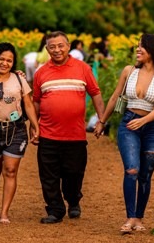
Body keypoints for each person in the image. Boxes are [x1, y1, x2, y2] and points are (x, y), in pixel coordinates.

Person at [94, 33, 154, 233]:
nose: (138, 50)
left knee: (145, 175)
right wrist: (102, 121)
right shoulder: (128, 71)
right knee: (131, 170)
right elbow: (115, 97)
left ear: (153, 51)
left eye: (142, 47)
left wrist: (143, 120)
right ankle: (130, 217)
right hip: (128, 126)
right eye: (137, 46)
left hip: (152, 130)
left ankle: (139, 218)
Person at [32, 31, 105, 224]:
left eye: (60, 45)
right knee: (48, 176)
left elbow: (95, 94)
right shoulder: (41, 72)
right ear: (47, 49)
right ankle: (55, 210)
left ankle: (73, 201)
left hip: (75, 136)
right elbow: (36, 102)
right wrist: (33, 127)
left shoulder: (83, 68)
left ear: (68, 45)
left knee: (74, 174)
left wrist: (101, 120)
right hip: (48, 135)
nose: (56, 50)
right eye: (52, 47)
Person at [0, 43, 40, 224]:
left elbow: (28, 104)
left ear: (13, 63)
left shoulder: (19, 80)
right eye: (1, 59)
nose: (4, 63)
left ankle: (4, 211)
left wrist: (35, 125)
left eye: (9, 60)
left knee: (10, 171)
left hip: (16, 130)